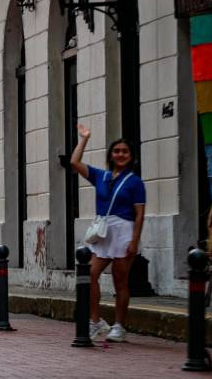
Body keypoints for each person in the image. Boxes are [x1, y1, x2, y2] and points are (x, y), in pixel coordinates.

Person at [70, 124, 146, 342]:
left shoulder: (135, 182)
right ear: (111, 155)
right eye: (117, 151)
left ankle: (120, 326)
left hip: (124, 231)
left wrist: (134, 240)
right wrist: (84, 138)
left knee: (120, 280)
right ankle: (96, 321)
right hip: (104, 231)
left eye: (125, 152)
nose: (120, 155)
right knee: (91, 275)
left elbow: (140, 214)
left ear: (131, 157)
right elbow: (75, 162)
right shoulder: (100, 176)